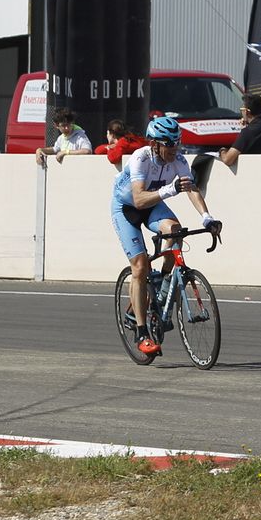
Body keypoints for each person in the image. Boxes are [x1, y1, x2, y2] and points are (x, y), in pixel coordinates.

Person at [110, 116, 221, 356]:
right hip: (127, 208)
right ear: (154, 144)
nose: (175, 148)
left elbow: (191, 188)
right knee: (139, 267)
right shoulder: (141, 158)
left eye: (177, 142)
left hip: (152, 205)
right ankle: (141, 332)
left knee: (176, 231)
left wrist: (206, 217)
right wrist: (170, 189)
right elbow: (139, 199)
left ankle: (161, 284)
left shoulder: (178, 160)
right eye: (169, 143)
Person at [218, 93, 261, 169]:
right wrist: (244, 129)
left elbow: (228, 160)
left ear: (247, 112)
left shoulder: (248, 132)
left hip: (253, 173)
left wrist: (222, 151)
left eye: (241, 110)